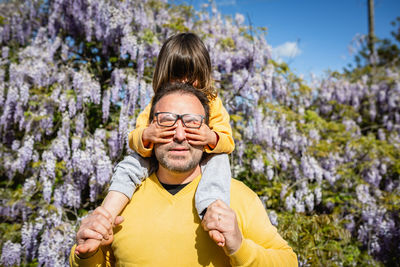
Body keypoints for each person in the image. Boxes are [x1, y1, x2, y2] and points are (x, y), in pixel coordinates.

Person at [69, 82, 298, 266]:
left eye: (192, 123)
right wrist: (87, 255)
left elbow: (288, 261)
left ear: (209, 132)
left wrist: (239, 247)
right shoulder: (121, 201)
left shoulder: (238, 197)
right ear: (149, 131)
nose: (179, 135)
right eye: (166, 121)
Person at [75, 32, 234, 254]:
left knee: (219, 162)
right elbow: (134, 137)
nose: (184, 83)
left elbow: (228, 141)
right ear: (163, 76)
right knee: (130, 165)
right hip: (159, 155)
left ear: (203, 75)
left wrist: (211, 138)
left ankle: (212, 211)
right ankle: (106, 216)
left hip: (201, 157)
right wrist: (146, 136)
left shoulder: (212, 102)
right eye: (176, 77)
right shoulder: (157, 102)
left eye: (191, 77)